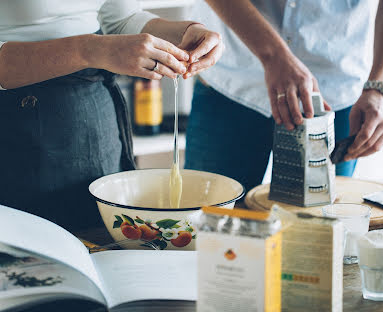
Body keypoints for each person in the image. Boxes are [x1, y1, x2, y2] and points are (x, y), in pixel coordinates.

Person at [0, 0, 223, 231]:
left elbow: (122, 19)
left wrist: (186, 33)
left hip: (94, 114)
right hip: (15, 129)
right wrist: (91, 49)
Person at [185, 0, 383, 192]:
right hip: (233, 76)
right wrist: (273, 54)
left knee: (322, 232)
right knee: (206, 226)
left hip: (334, 89)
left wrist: (380, 86)